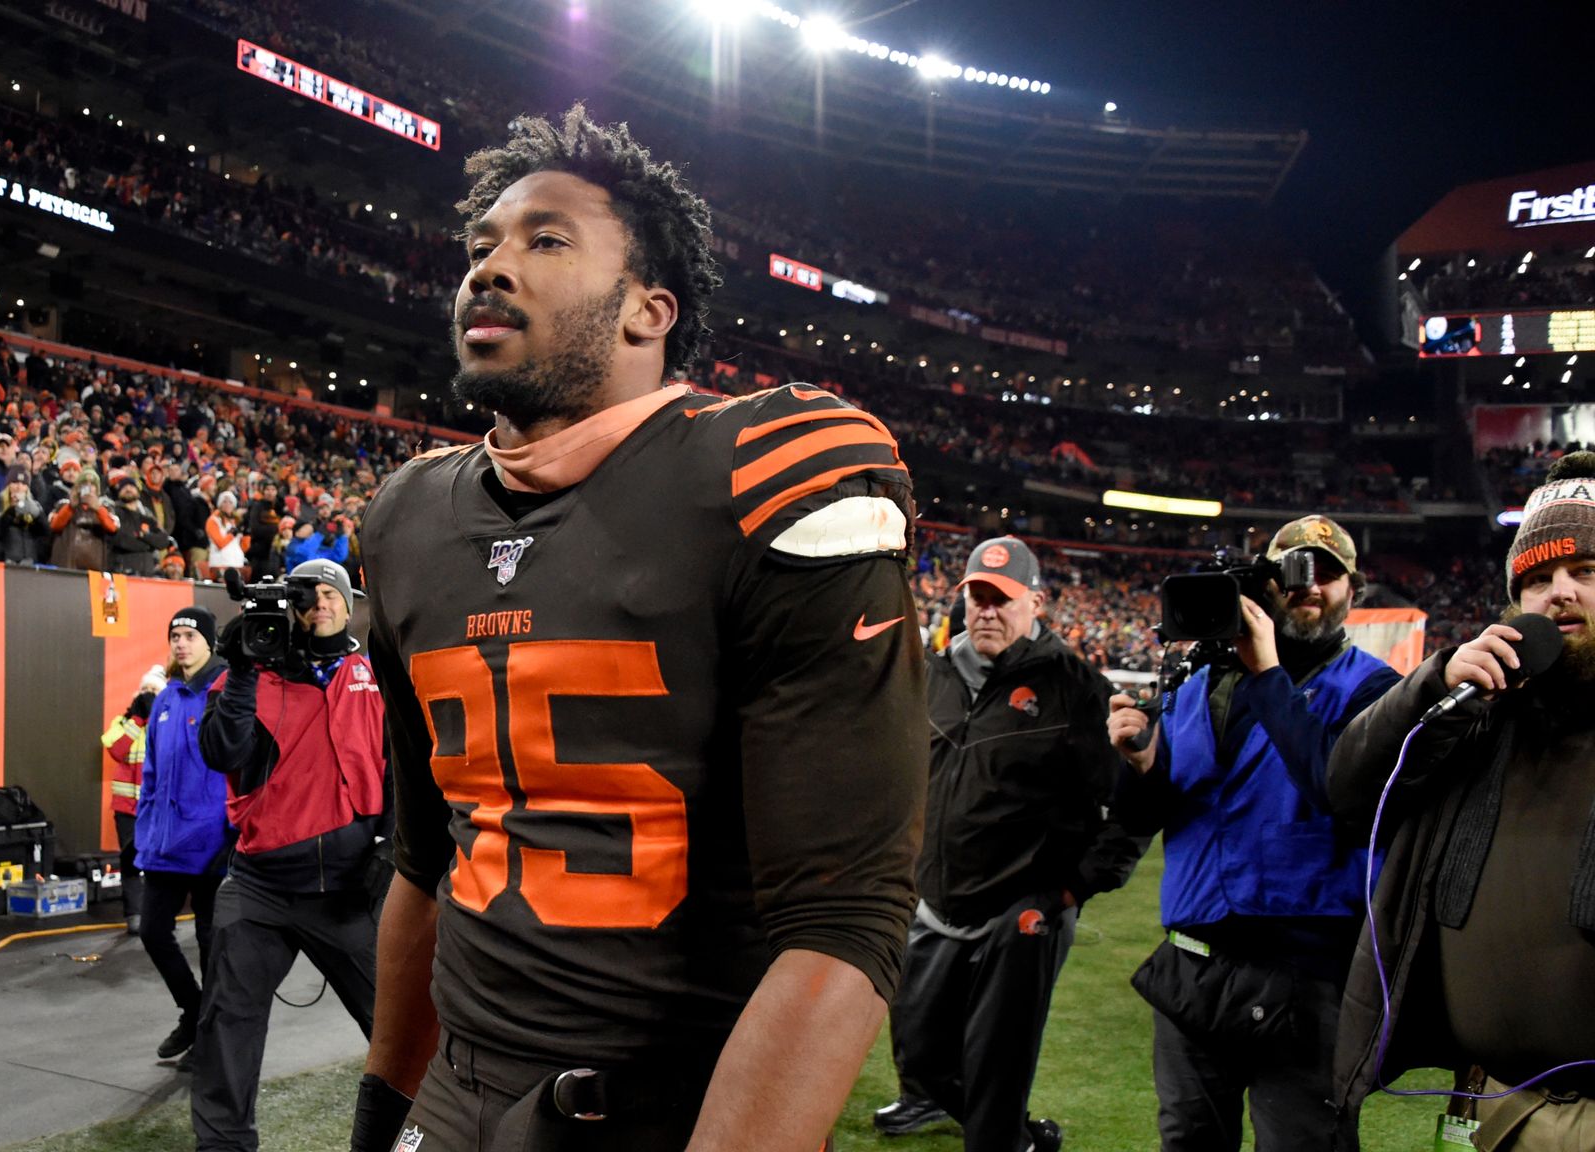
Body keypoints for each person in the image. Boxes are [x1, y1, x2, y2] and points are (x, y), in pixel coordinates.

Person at [352, 106, 924, 1152]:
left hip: (666, 1113)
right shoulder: (403, 517)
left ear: (646, 311)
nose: (488, 267)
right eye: (480, 246)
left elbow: (844, 922)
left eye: (545, 241)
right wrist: (382, 1107)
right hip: (454, 1099)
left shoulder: (766, 469)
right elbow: (425, 861)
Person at [1106, 514, 1401, 1152]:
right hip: (1192, 962)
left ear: (1355, 589)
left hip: (1306, 975)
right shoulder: (1200, 684)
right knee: (1187, 1139)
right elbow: (1146, 815)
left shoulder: (1374, 691)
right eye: (1292, 571)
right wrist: (1137, 765)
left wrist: (1267, 674)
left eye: (1328, 573)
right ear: (1264, 585)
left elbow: (1339, 791)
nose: (1309, 586)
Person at [1330, 453, 1595, 1149]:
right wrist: (1433, 686)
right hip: (1502, 1107)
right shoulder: (1478, 715)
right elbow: (1352, 789)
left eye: (1586, 573)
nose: (1558, 593)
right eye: (1536, 579)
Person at [879, 538, 1134, 1152]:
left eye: (1004, 599)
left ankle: (1001, 1137)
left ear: (1037, 602)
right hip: (935, 901)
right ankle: (1019, 1140)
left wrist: (1075, 887)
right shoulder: (932, 674)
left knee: (997, 1066)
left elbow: (1130, 802)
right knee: (921, 1055)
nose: (988, 611)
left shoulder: (1078, 688)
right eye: (978, 597)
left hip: (1021, 910)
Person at [190, 559, 388, 1151]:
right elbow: (222, 752)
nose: (321, 603)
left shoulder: (372, 675)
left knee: (400, 1026)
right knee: (226, 1024)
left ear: (350, 605)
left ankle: (421, 1135)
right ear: (291, 608)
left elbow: (404, 768)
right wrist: (244, 669)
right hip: (261, 887)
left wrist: (394, 852)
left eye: (332, 594)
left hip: (351, 890)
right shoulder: (246, 677)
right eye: (309, 596)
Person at [131, 606, 234, 1067]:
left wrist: (234, 833)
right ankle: (193, 1012)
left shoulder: (226, 692)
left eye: (191, 634)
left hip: (214, 843)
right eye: (175, 634)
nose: (181, 642)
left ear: (209, 642)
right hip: (166, 845)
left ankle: (210, 1039)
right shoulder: (168, 698)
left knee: (213, 946)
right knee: (153, 932)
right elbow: (151, 774)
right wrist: (146, 830)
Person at [103, 664, 169, 934]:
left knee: (160, 861)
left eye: (154, 690)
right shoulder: (123, 722)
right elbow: (117, 750)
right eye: (145, 690)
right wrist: (137, 720)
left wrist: (155, 718)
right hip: (127, 808)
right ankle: (133, 914)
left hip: (157, 807)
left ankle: (160, 912)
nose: (148, 695)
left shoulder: (168, 723)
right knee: (130, 859)